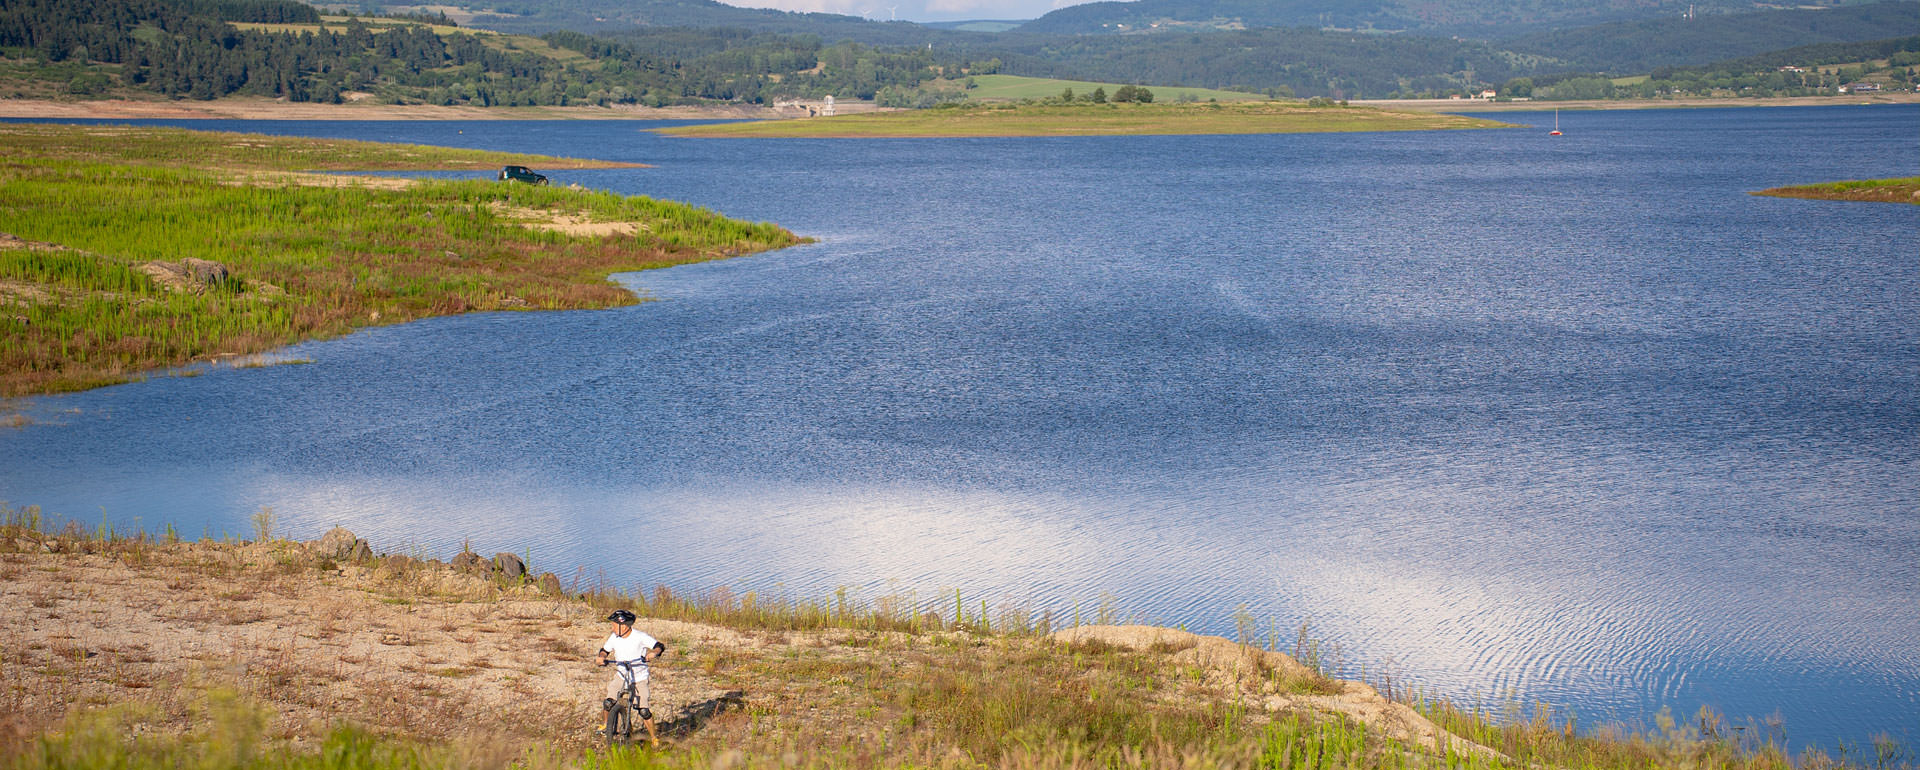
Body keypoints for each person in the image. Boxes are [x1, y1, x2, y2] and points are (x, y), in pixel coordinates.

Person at [596, 609, 665, 745]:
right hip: (621, 675)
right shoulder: (614, 637)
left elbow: (659, 646)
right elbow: (605, 650)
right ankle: (606, 725)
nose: (612, 628)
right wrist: (601, 658)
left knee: (643, 710)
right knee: (608, 702)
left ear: (624, 626)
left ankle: (653, 738)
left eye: (614, 625)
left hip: (639, 678)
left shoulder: (640, 637)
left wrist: (654, 654)